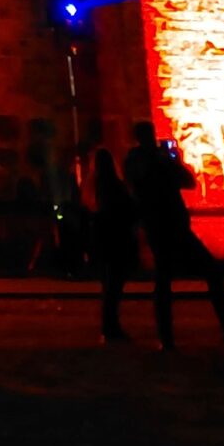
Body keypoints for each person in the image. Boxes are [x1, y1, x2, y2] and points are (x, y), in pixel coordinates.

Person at [122, 119, 224, 347]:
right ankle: (167, 336)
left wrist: (174, 161)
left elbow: (188, 182)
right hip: (160, 227)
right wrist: (163, 164)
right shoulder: (137, 160)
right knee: (166, 279)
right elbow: (142, 185)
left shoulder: (157, 160)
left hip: (176, 226)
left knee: (206, 272)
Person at [78, 145, 139, 343]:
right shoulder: (114, 186)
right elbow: (127, 210)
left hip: (101, 239)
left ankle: (109, 325)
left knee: (108, 285)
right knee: (114, 286)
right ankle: (111, 327)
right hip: (116, 239)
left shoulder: (91, 187)